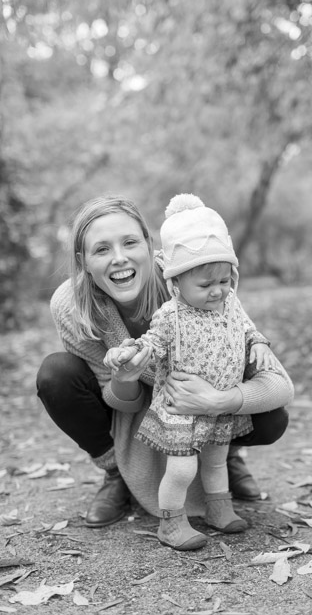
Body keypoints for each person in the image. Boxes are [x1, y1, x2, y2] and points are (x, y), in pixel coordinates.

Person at [36, 194, 293, 539]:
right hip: (143, 409)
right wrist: (124, 379)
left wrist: (219, 401)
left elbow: (281, 384)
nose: (119, 259)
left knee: (272, 416)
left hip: (209, 404)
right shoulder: (70, 306)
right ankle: (116, 476)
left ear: (149, 243)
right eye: (102, 249)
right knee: (56, 375)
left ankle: (224, 456)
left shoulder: (199, 275)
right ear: (83, 261)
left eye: (129, 242)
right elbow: (115, 401)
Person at [104, 194, 279, 550]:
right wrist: (131, 352)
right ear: (175, 283)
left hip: (218, 407)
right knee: (183, 469)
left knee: (216, 462)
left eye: (224, 281)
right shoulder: (171, 314)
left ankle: (218, 508)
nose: (217, 291)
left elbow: (247, 328)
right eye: (205, 285)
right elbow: (151, 341)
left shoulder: (231, 303)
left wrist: (259, 343)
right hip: (181, 409)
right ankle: (171, 522)